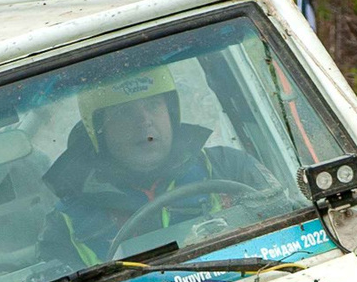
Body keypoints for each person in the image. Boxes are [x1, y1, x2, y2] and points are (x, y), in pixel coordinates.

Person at [42, 66, 271, 260]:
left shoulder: (230, 168)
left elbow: (288, 229)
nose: (144, 121)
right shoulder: (67, 223)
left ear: (171, 113)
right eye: (124, 112)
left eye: (153, 105)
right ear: (99, 133)